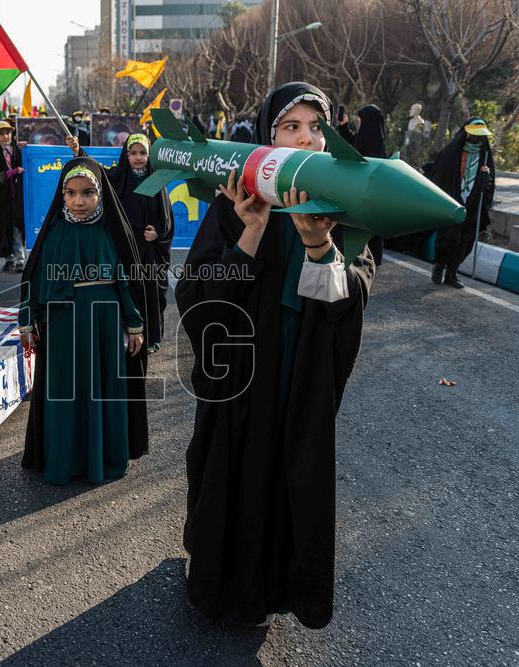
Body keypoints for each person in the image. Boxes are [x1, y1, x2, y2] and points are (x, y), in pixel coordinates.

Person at [175, 82, 375, 629]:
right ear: (269, 136)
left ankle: (274, 591)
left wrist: (318, 247)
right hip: (239, 383)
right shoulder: (237, 202)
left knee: (289, 481)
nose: (306, 138)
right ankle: (218, 587)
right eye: (292, 126)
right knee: (227, 475)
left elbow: (352, 296)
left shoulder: (346, 211)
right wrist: (251, 232)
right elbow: (196, 297)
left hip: (297, 379)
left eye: (317, 127)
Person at [19, 158, 151, 486]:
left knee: (103, 390)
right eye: (71, 193)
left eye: (88, 193)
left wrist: (134, 324)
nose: (79, 201)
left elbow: (126, 282)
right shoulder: (53, 233)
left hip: (105, 324)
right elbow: (33, 281)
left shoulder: (112, 231)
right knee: (65, 392)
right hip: (63, 324)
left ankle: (102, 457)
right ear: (62, 195)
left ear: (100, 193)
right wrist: (27, 321)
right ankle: (67, 460)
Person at [67, 132, 173, 352]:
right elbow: (96, 173)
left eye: (143, 153)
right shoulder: (119, 176)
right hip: (124, 245)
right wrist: (78, 151)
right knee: (127, 291)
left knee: (151, 292)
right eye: (133, 153)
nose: (138, 157)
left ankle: (152, 337)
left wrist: (158, 234)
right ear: (126, 155)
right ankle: (128, 334)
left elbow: (167, 217)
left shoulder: (157, 179)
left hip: (148, 249)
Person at [429, 117, 495, 288]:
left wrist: (485, 181)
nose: (477, 140)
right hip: (452, 202)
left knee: (465, 241)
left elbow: (490, 185)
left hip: (473, 205)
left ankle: (452, 274)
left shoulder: (485, 155)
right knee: (449, 238)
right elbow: (439, 176)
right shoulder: (451, 153)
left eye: (480, 136)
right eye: (474, 135)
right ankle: (439, 266)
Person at [347, 104, 388, 265]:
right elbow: (352, 141)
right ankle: (373, 259)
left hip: (362, 194)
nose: (358, 122)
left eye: (360, 119)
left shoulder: (366, 141)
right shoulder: (376, 141)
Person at [0, 119, 25, 272]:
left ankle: (20, 260)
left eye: (7, 133)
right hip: (1, 200)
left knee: (16, 229)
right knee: (3, 228)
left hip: (16, 198)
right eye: (1, 134)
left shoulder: (17, 149)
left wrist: (26, 150)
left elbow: (26, 165)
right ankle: (9, 260)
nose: (5, 136)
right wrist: (11, 173)